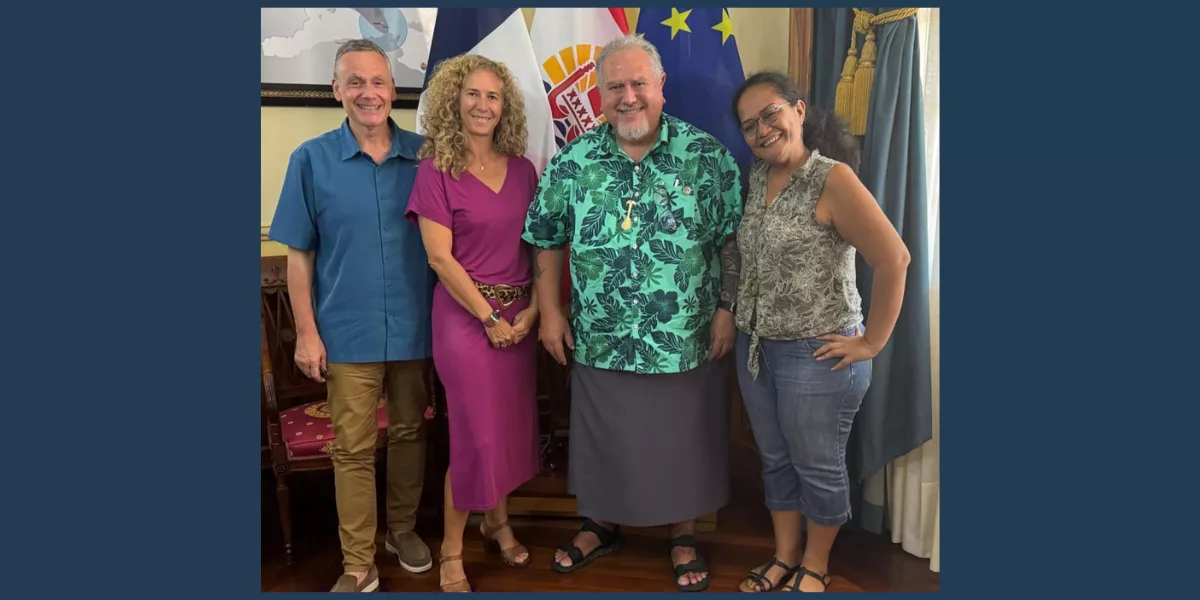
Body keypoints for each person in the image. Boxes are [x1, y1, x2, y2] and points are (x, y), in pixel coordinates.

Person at [521, 35, 743, 593]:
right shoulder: (573, 161)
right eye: (615, 86)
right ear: (598, 94)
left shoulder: (706, 155)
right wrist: (550, 312)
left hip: (685, 333)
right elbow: (545, 237)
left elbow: (732, 241)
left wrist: (727, 309)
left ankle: (683, 533)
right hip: (601, 332)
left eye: (638, 83)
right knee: (605, 435)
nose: (628, 96)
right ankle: (600, 525)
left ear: (660, 86)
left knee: (683, 438)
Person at [726, 71, 911, 593]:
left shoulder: (832, 179)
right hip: (756, 348)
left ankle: (815, 565)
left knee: (818, 466)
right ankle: (784, 555)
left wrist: (871, 342)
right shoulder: (757, 177)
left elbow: (895, 258)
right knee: (776, 460)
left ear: (799, 110)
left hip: (818, 355)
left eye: (770, 114)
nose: (762, 130)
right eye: (749, 126)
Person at [267, 39, 435, 593]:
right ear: (336, 90)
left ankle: (402, 530)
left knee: (410, 432)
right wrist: (306, 334)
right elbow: (298, 257)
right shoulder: (310, 160)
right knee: (353, 449)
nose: (369, 92)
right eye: (355, 82)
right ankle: (358, 562)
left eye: (378, 81)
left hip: (416, 326)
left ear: (393, 88)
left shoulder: (427, 156)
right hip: (346, 332)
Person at [405, 53, 542, 593]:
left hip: (519, 318)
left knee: (505, 431)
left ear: (504, 106)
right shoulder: (435, 170)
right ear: (453, 101)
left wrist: (534, 309)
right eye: (473, 94)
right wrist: (488, 316)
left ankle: (497, 522)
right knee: (475, 437)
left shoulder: (524, 170)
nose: (483, 105)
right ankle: (452, 551)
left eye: (493, 96)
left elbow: (538, 247)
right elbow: (439, 258)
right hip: (466, 321)